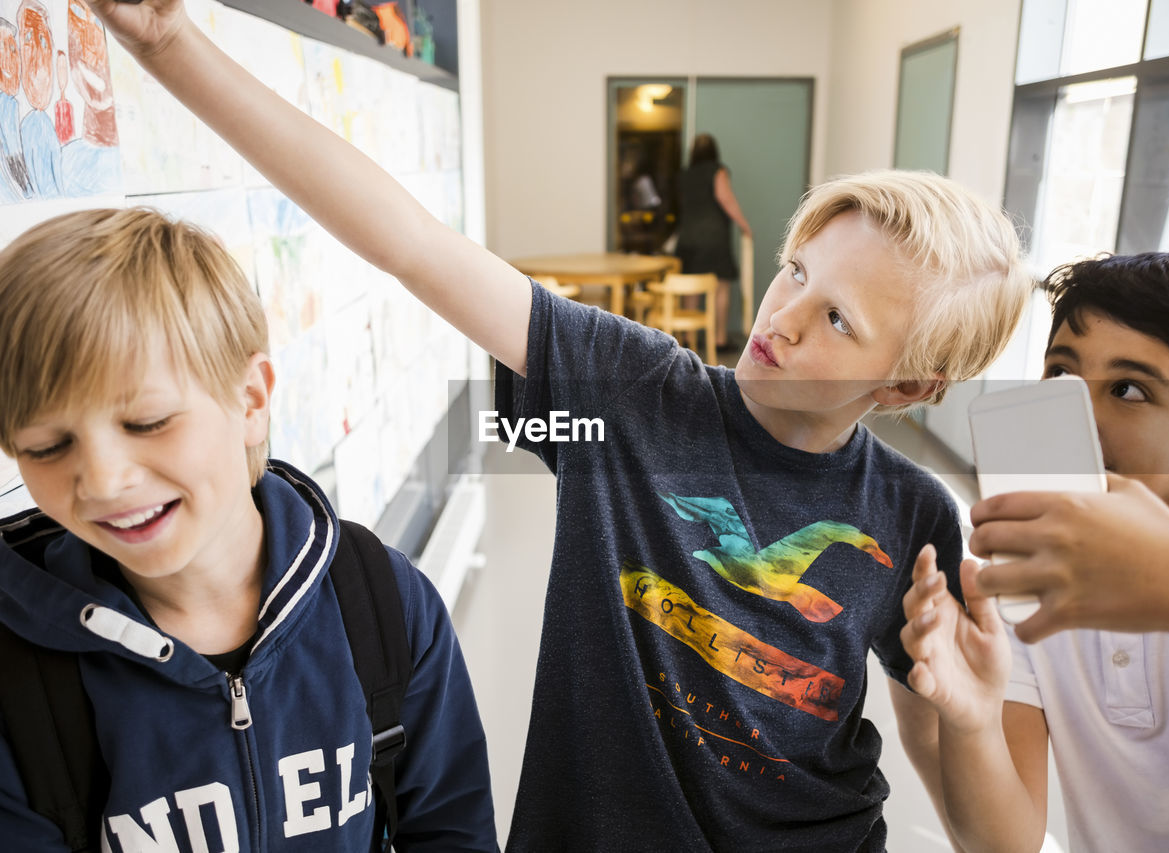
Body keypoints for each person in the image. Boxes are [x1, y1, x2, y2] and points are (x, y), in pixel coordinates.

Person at [83, 1, 1033, 848]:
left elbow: (995, 836)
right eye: (794, 270)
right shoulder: (636, 392)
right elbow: (412, 245)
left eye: (838, 320)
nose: (780, 315)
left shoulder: (913, 514)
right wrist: (171, 41)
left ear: (907, 387)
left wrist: (979, 719)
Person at [0, 207, 498, 851]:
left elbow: (451, 827)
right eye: (46, 446)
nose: (101, 480)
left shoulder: (383, 602)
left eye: (147, 422)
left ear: (251, 401)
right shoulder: (18, 676)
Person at [901, 241, 1169, 852]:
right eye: (1061, 373)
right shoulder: (1023, 576)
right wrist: (970, 724)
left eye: (1129, 390)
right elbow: (1008, 842)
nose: (1075, 411)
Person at [675, 133, 753, 349]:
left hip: (687, 237)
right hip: (713, 238)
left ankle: (688, 339)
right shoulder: (717, 171)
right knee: (720, 288)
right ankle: (719, 339)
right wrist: (744, 225)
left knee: (691, 289)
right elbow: (725, 198)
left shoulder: (685, 175)